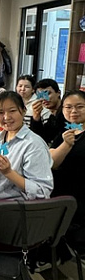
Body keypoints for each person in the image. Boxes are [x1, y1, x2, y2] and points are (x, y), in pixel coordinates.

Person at [0, 91, 53, 224]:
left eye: (12, 111)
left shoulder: (33, 145)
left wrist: (8, 172)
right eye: (0, 112)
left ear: (23, 111)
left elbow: (42, 191)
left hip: (17, 212)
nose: (6, 117)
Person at [50, 90, 85, 243]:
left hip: (77, 198)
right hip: (60, 192)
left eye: (80, 107)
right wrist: (66, 145)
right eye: (68, 107)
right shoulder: (67, 131)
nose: (73, 111)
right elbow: (52, 162)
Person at [30, 78, 64, 144]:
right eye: (40, 95)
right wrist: (36, 118)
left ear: (58, 93)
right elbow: (41, 138)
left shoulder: (67, 113)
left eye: (48, 93)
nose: (44, 98)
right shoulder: (52, 116)